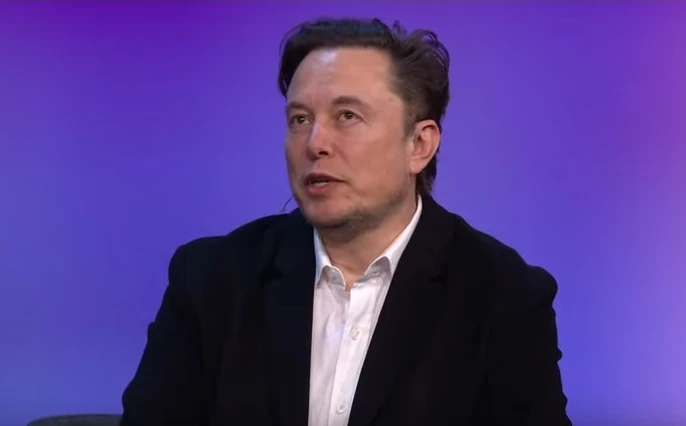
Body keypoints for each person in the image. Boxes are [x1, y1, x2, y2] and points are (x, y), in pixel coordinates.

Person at [119, 17, 572, 426]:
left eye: (347, 116)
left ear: (419, 145)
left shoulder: (503, 297)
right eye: (300, 119)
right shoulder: (212, 281)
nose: (315, 142)